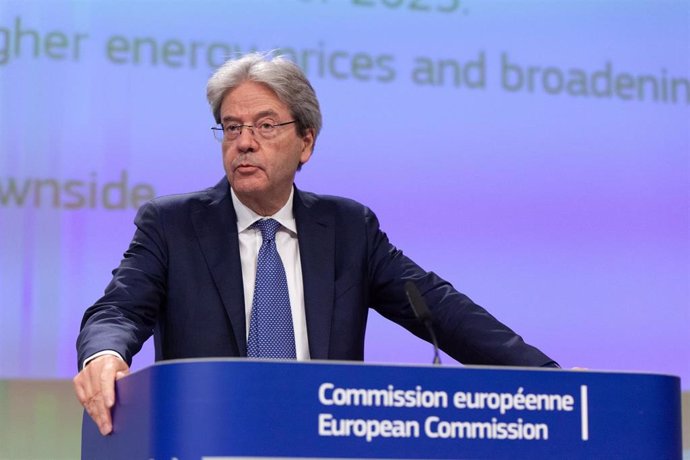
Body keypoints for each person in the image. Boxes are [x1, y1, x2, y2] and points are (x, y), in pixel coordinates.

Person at [74, 52, 558, 436]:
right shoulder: (172, 224)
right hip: (211, 441)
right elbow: (118, 310)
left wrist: (550, 381)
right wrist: (105, 356)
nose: (244, 142)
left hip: (324, 444)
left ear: (306, 142)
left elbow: (442, 310)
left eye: (265, 126)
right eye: (232, 127)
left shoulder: (347, 228)